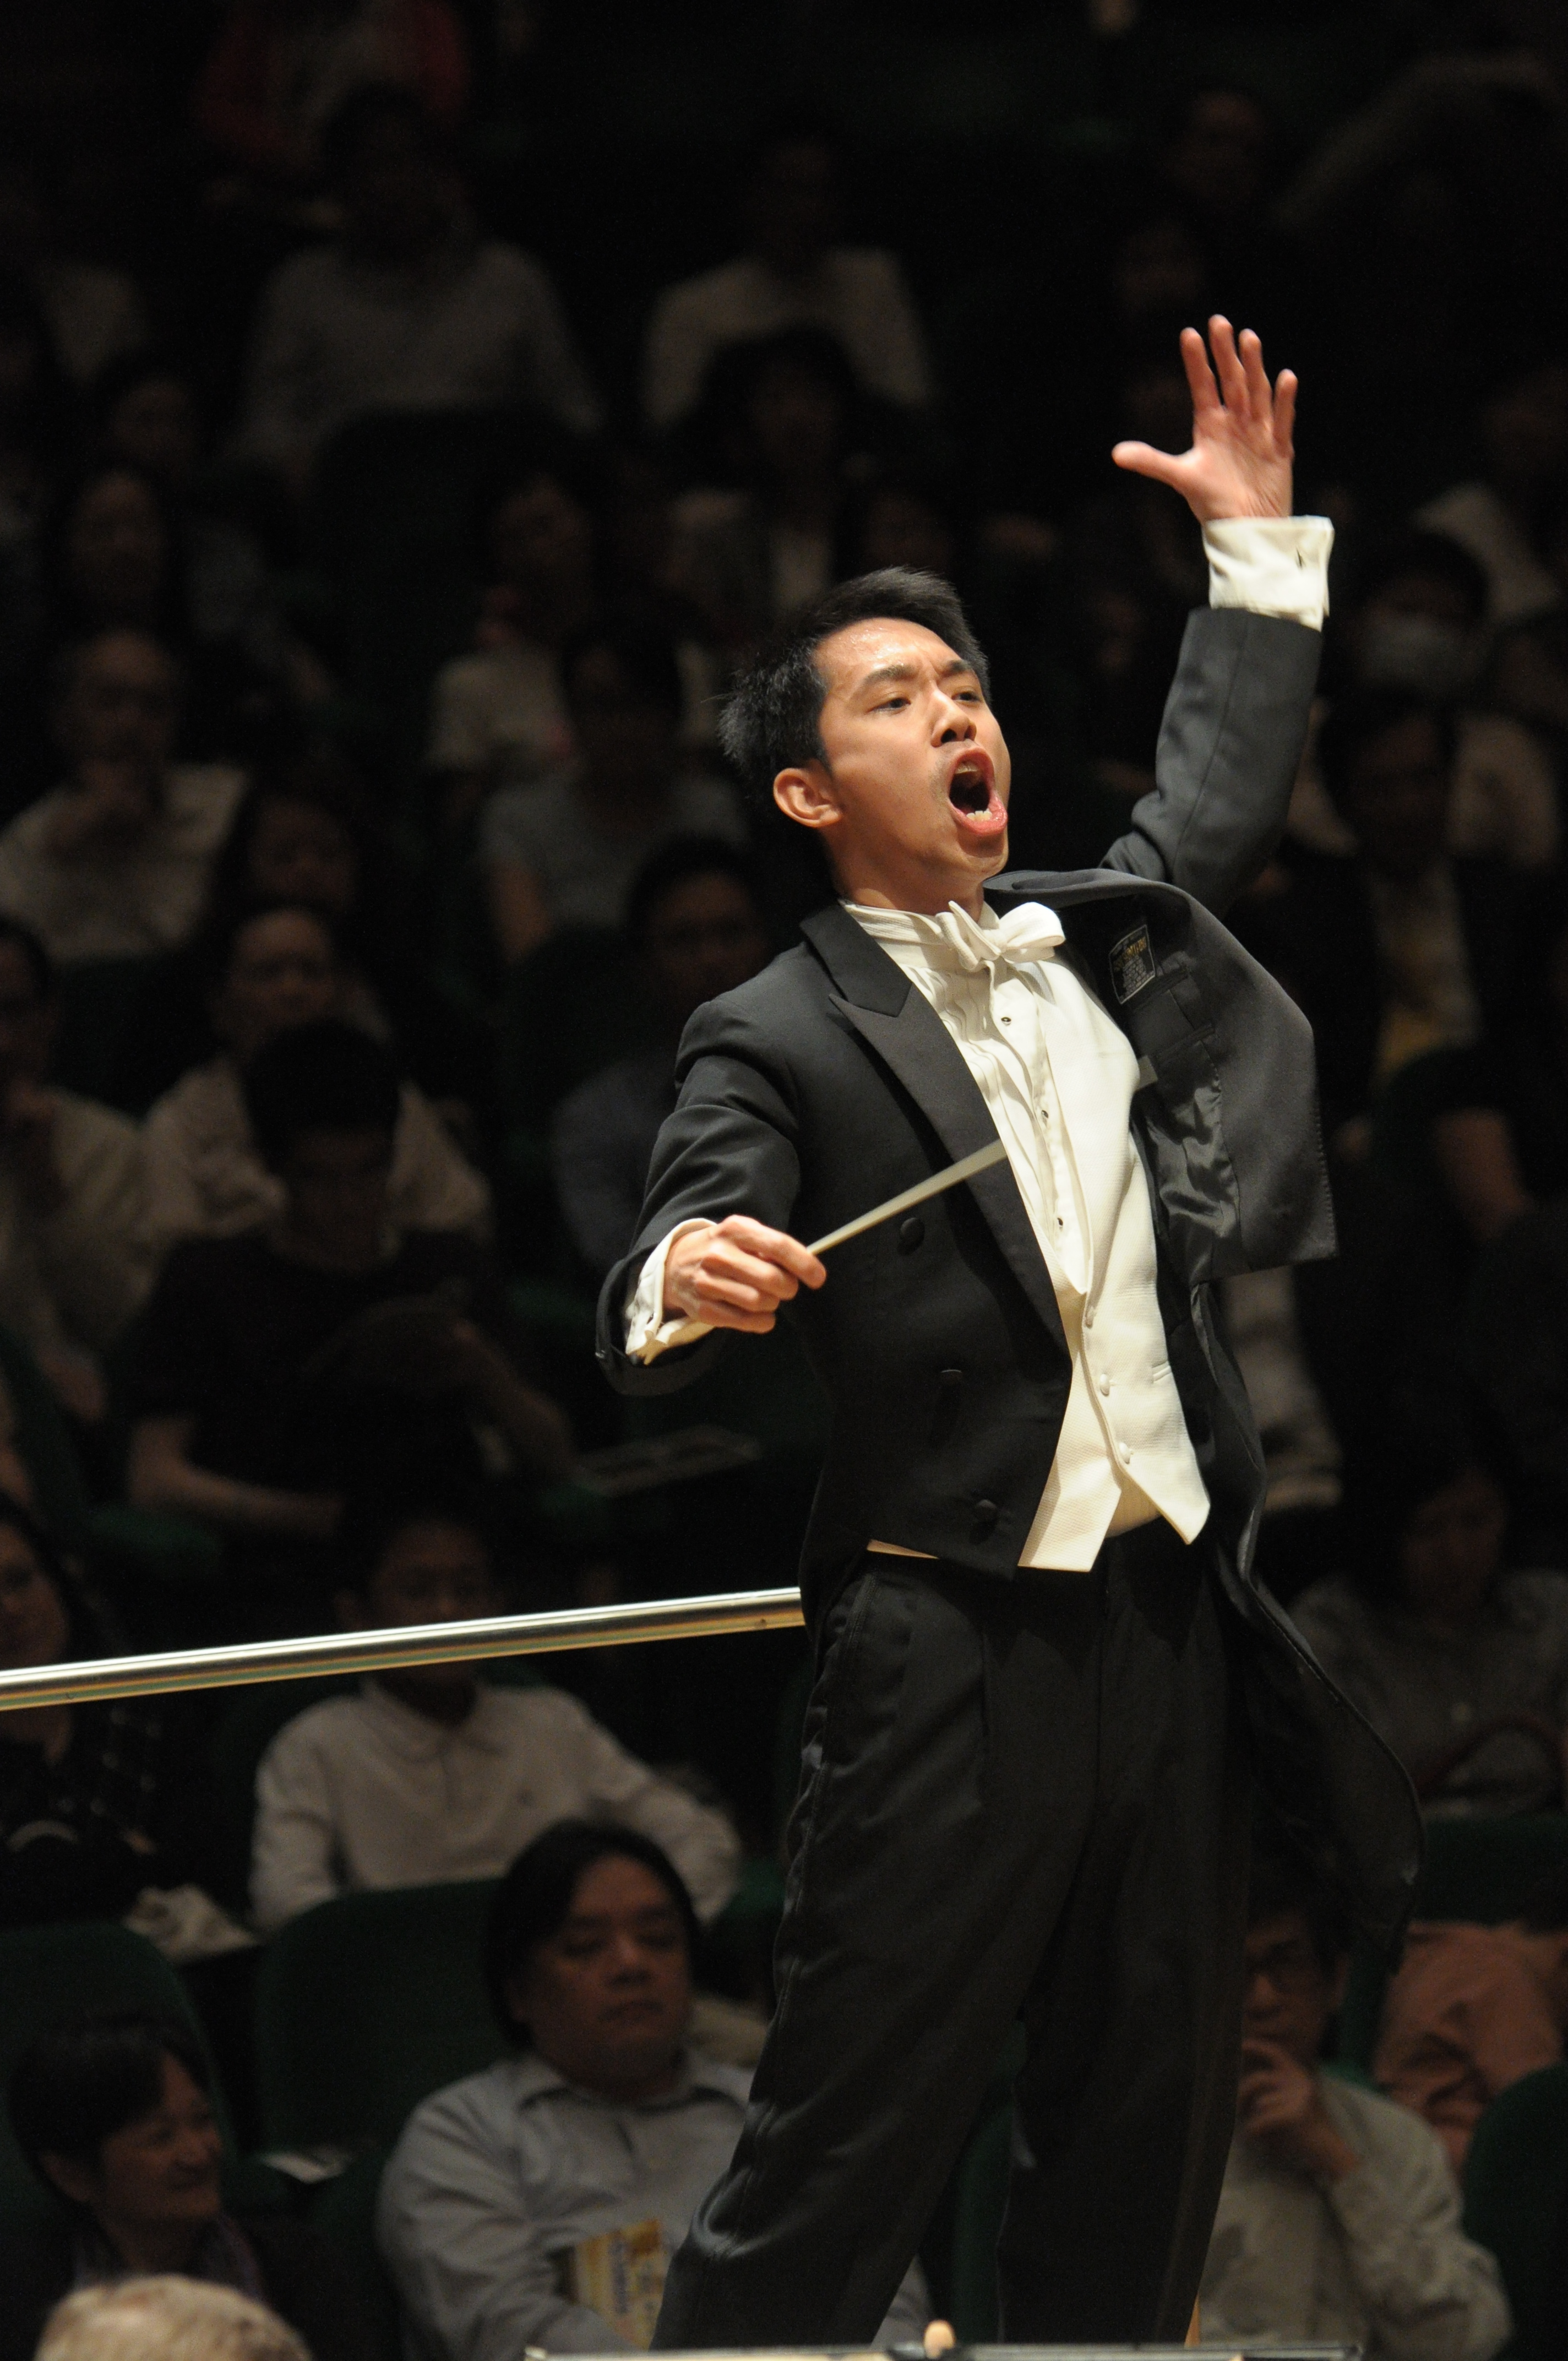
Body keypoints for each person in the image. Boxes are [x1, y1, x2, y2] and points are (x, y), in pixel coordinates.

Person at [596, 319, 1420, 2345]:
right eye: (895, 696)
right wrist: (686, 1269)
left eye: (962, 684)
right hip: (946, 1634)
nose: (953, 707)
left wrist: (1252, 556)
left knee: (1140, 2121)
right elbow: (691, 1196)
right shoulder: (776, 1024)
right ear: (809, 787)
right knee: (850, 2128)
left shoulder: (1091, 939)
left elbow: (1212, 794)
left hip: (1164, 1611)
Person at [377, 1821, 929, 2357]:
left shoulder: (784, 2118)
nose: (631, 1964)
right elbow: (508, 2335)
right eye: (585, 1946)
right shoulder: (461, 2136)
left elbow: (883, 2303)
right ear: (518, 1990)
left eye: (658, 1940)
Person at [126, 1020, 569, 1554]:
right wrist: (309, 1519)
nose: (350, 1201)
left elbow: (556, 1456)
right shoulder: (210, 1280)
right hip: (291, 1553)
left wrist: (483, 1369)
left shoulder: (446, 1262)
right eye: (320, 1178)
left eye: (369, 1171)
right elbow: (154, 1477)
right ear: (271, 1165)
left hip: (452, 1536)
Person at [251, 1496, 742, 1932]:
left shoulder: (552, 1722)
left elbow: (699, 1838)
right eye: (418, 1591)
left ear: (496, 1606)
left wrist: (636, 1937)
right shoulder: (315, 1745)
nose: (447, 1611)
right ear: (357, 1614)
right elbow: (287, 1904)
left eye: (468, 1590)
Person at [1199, 1850, 1510, 2359]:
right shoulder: (1154, 2145)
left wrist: (1341, 2166)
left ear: (1336, 1981)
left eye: (1286, 1964)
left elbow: (1463, 2341)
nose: (1262, 2000)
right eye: (1237, 1969)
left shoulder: (1399, 2142)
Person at [238, 83, 600, 491]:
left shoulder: (512, 278)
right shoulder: (300, 288)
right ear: (339, 186)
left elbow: (572, 412)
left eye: (401, 162)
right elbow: (267, 425)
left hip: (491, 503)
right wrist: (295, 467)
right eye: (366, 168)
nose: (386, 186)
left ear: (439, 172)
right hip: (358, 503)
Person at [1239, 688, 1532, 1144]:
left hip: (1508, 1132)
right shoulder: (1300, 923)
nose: (1408, 808)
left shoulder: (1511, 902)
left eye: (1424, 779)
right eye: (1381, 788)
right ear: (1341, 801)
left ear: (1452, 780)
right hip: (1363, 1149)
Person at [3, 2011, 377, 2361]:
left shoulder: (295, 2265)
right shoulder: (22, 2302)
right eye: (160, 2137)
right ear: (72, 2175)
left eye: (202, 2120)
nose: (199, 2154)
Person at [142, 901, 489, 1254]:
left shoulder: (387, 1093)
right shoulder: (182, 1123)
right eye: (268, 973)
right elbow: (173, 1257)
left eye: (312, 972)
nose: (293, 991)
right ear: (220, 1001)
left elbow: (460, 1219)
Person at [1292, 1439, 1568, 1818]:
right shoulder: (1329, 1633)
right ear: (1383, 1531)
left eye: (1475, 1521)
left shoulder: (1553, 1615)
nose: (1457, 1553)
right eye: (1428, 1529)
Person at [551, 840, 772, 1278]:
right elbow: (620, 1267)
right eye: (684, 940)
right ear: (645, 966)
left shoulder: (829, 1080)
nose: (712, 959)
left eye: (731, 934)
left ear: (767, 947)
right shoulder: (596, 1118)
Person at [1288, 530, 1561, 875]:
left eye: (1447, 620)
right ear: (1353, 622)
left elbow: (1537, 869)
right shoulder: (1291, 733)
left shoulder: (1505, 751)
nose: (1425, 632)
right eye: (1408, 611)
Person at [480, 614, 744, 964]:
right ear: (570, 713)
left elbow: (734, 948)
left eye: (640, 704)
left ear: (673, 712)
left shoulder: (713, 811)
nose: (622, 726)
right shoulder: (519, 820)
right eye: (602, 705)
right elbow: (534, 967)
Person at [642, 128, 930, 434]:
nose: (808, 211)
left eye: (822, 192)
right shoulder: (690, 309)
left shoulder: (877, 280)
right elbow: (672, 432)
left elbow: (912, 406)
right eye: (789, 191)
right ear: (750, 198)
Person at [0, 1501, 198, 1929]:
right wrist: (123, 1860)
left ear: (57, 1581)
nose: (10, 1610)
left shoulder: (145, 1718)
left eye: (19, 1580)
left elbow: (195, 1872)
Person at [0, 630, 246, 967]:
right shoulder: (26, 843)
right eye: (108, 701)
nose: (131, 723)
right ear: (64, 721)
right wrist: (64, 853)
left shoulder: (230, 806)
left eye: (153, 705)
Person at [0, 915, 154, 1421]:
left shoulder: (111, 1147)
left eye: (15, 1011)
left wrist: (49, 1193)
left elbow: (128, 1328)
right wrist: (27, 1372)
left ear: (51, 1017)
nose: (3, 1043)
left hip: (76, 1425)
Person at [666, 328, 861, 650]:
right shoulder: (719, 537)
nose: (796, 416)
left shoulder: (880, 520)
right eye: (775, 399)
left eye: (815, 395)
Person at [1374, 1868, 1568, 2173]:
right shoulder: (1504, 1978)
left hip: (1407, 2143)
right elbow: (1546, 2113)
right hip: (1448, 2160)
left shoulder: (1444, 1949)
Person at [197, 0, 470, 187]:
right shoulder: (264, 20)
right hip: (285, 185)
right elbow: (219, 106)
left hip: (397, 178)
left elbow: (442, 101)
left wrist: (387, 152)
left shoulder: (414, 15)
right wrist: (279, 151)